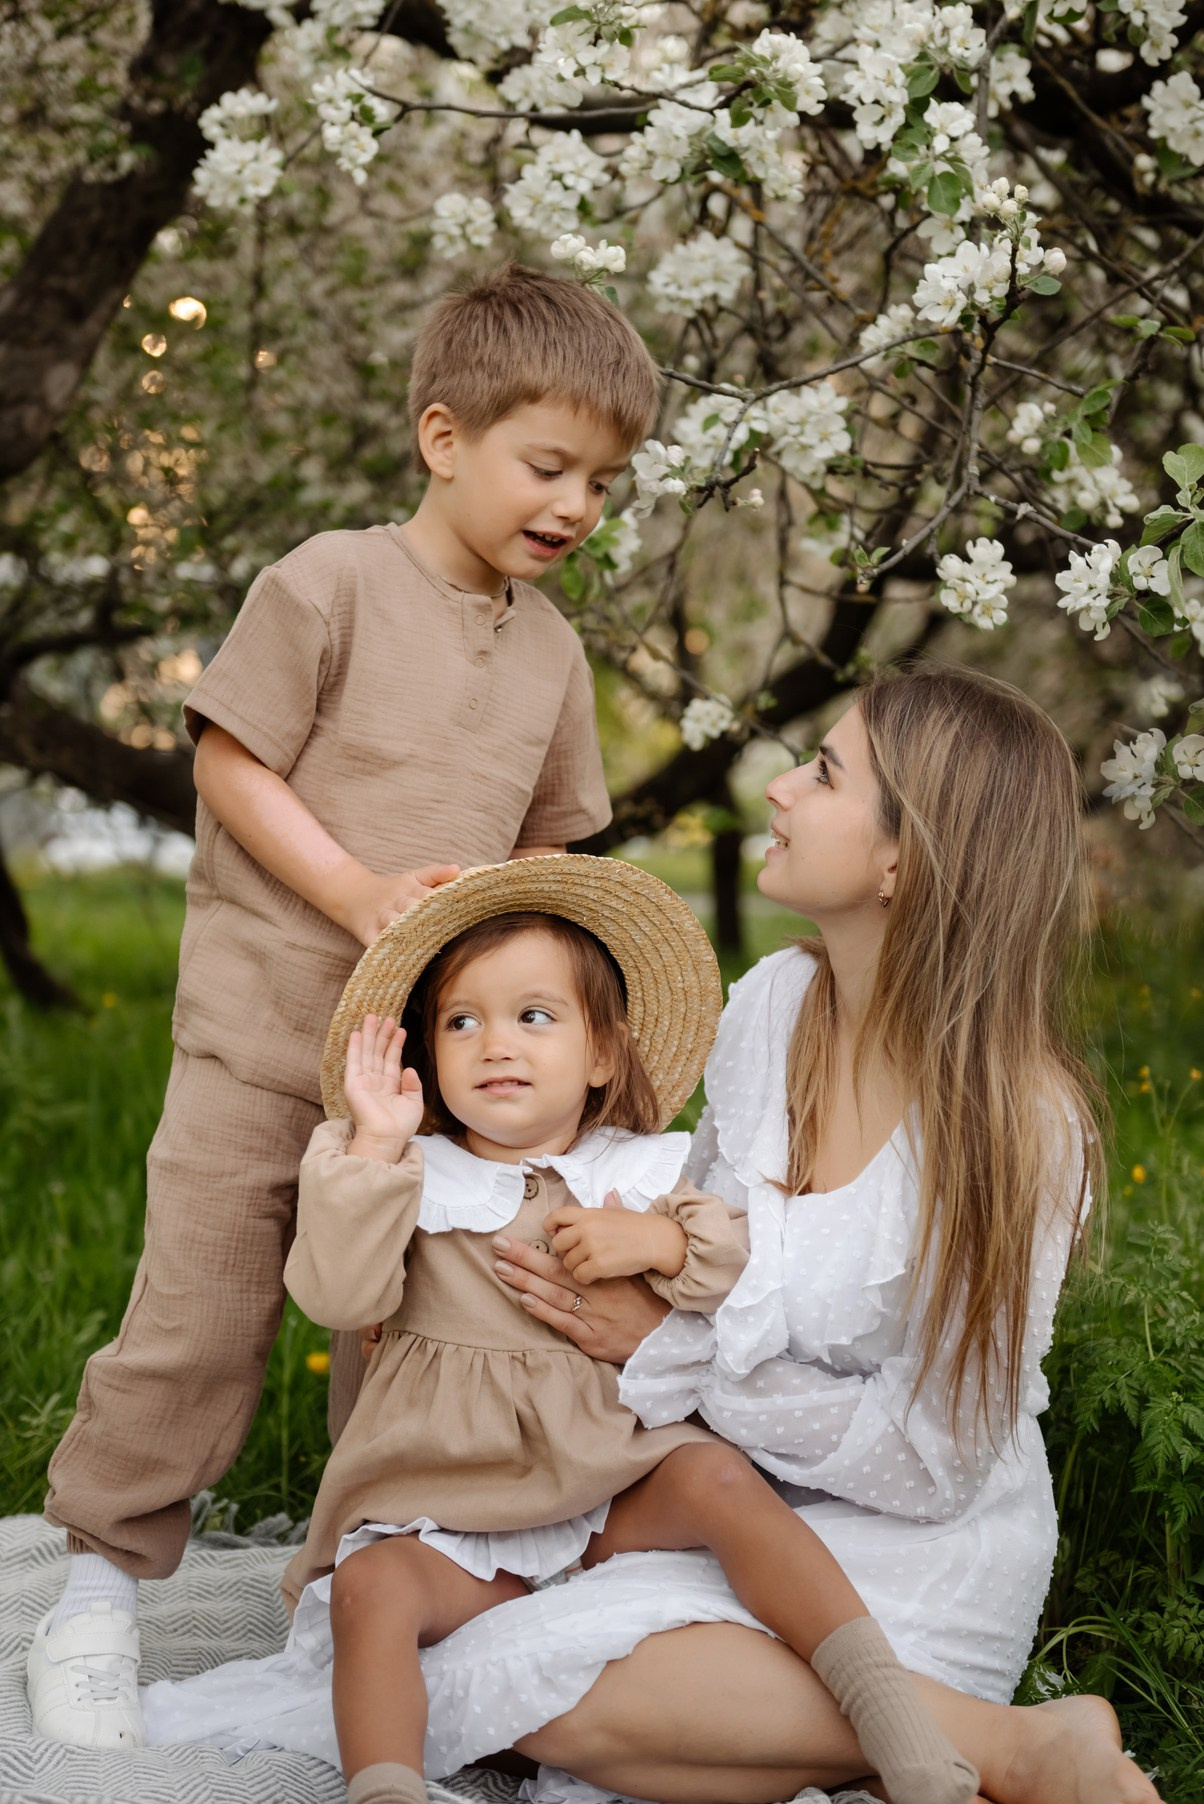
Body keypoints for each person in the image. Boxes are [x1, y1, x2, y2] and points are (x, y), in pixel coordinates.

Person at [27, 263, 658, 1752]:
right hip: (265, 1033)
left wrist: (546, 1023)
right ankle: (103, 1580)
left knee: (405, 1339)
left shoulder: (556, 654)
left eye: (605, 482)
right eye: (548, 465)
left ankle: (353, 1587)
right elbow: (229, 764)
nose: (576, 504)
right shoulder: (328, 582)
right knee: (204, 1305)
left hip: (430, 1080)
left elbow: (553, 852)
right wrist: (361, 891)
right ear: (446, 438)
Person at [459, 665, 1161, 1804]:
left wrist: (677, 1354)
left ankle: (999, 1742)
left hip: (925, 1545)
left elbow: (933, 1463)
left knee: (560, 1693)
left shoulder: (1021, 1129)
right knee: (483, 1671)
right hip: (753, 1507)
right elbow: (697, 1255)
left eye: (824, 771)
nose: (778, 789)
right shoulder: (770, 1005)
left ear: (904, 860)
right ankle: (987, 1748)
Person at [144, 854, 979, 1804]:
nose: (496, 1043)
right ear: (426, 1054)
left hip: (605, 1480)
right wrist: (374, 1142)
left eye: (533, 1016)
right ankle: (385, 1792)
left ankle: (903, 1732)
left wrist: (658, 1240)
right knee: (375, 1592)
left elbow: (739, 1274)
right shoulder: (410, 1176)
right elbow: (335, 1295)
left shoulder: (644, 1167)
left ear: (603, 1056)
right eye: (463, 1021)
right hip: (450, 1500)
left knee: (714, 1475)